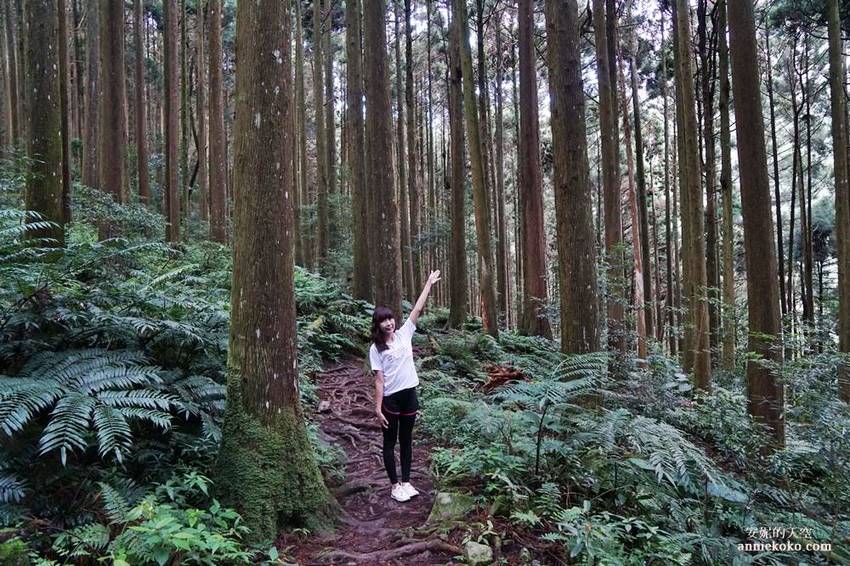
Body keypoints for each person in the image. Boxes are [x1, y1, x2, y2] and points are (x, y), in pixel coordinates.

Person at [369, 270, 441, 502]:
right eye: (383, 321)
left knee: (407, 440)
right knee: (390, 442)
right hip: (390, 399)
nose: (388, 323)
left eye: (390, 319)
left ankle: (407, 482)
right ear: (378, 324)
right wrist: (377, 408)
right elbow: (379, 380)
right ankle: (394, 485)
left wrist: (428, 283)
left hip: (410, 394)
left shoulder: (404, 334)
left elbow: (417, 309)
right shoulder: (376, 349)